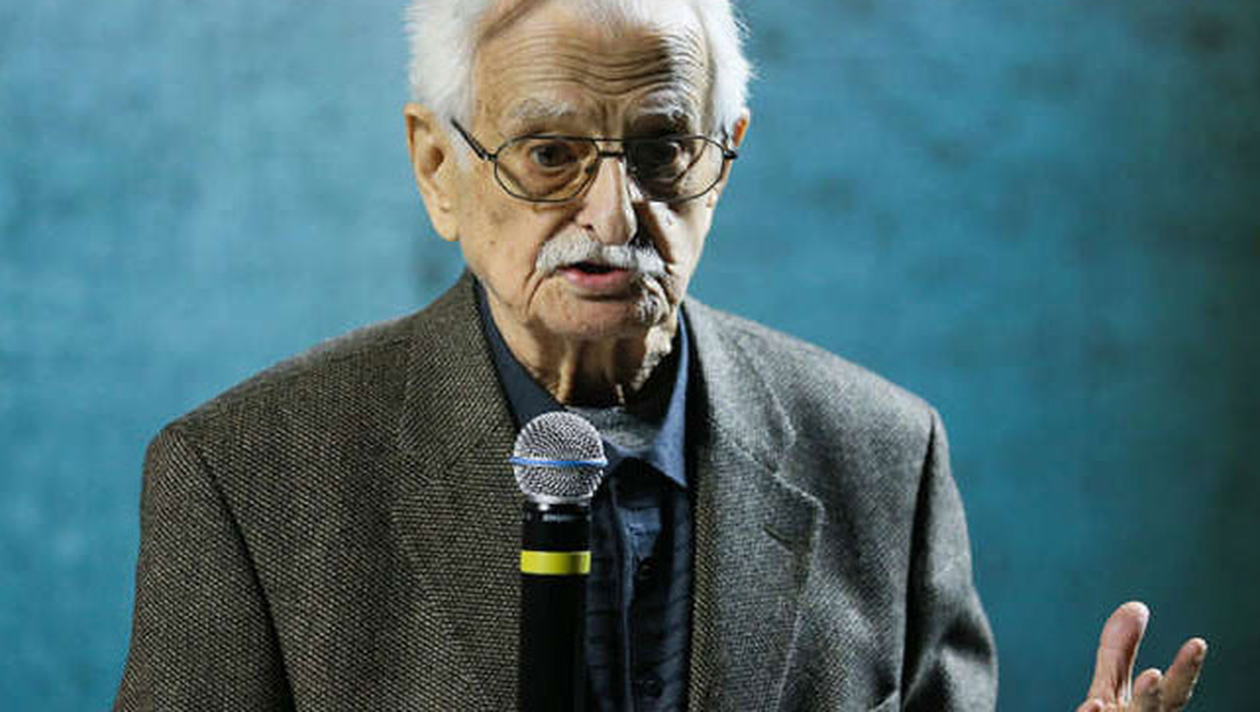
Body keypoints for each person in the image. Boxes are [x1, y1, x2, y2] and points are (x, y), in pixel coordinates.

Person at [114, 0, 1207, 709]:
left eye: (661, 150)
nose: (614, 212)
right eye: (550, 153)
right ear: (437, 169)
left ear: (724, 160)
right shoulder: (248, 482)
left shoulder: (886, 461)